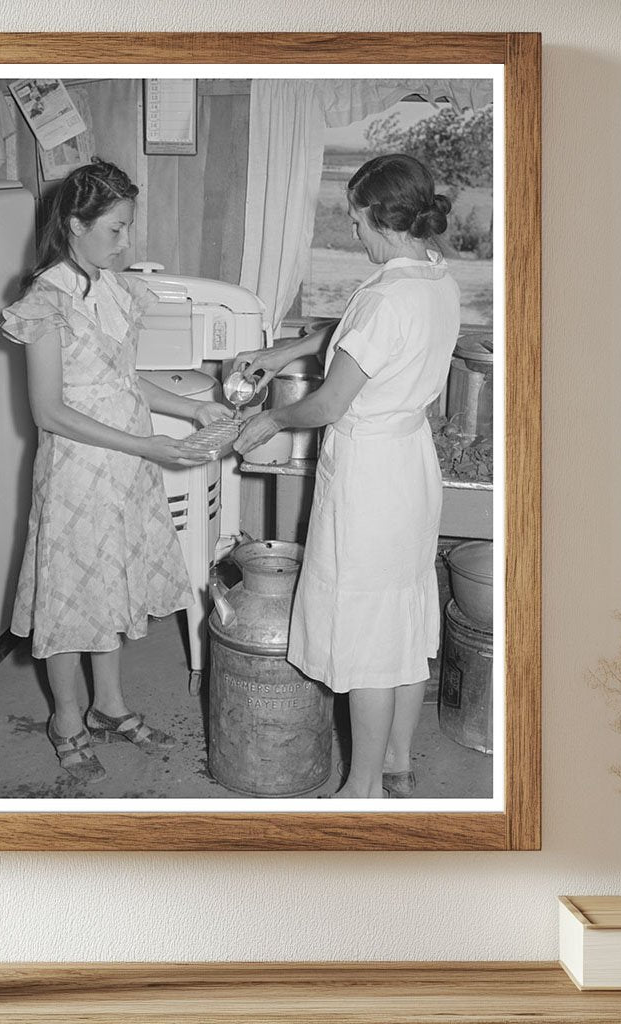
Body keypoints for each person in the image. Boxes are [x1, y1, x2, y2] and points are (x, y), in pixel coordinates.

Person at [233, 153, 461, 799]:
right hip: (411, 462)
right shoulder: (433, 275)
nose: (354, 233)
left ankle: (360, 789)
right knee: (404, 617)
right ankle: (397, 762)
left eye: (357, 222)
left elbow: (330, 403)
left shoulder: (386, 298)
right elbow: (359, 333)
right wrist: (286, 349)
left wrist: (272, 422)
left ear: (380, 222)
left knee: (366, 632)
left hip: (369, 475)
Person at [1, 159, 230, 784]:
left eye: (129, 227)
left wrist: (192, 405)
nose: (126, 243)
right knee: (72, 597)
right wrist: (146, 445)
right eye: (115, 229)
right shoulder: (44, 302)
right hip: (79, 470)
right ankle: (67, 720)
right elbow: (50, 412)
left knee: (112, 586)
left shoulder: (111, 287)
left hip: (126, 465)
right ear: (75, 225)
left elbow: (122, 379)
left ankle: (109, 705)